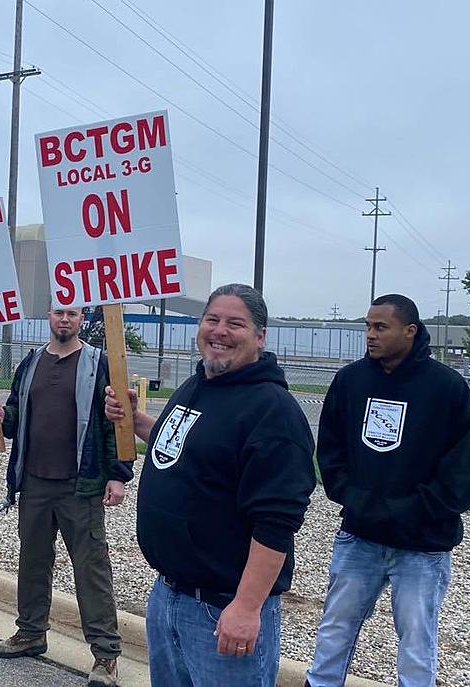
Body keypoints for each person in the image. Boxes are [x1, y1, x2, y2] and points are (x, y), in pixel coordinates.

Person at [105, 283, 316, 687]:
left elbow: (275, 523)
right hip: (168, 595)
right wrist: (136, 418)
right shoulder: (199, 385)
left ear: (259, 336)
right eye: (212, 320)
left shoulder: (273, 413)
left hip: (222, 610)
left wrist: (247, 608)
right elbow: (185, 444)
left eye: (235, 323)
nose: (219, 331)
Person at [305, 294, 470, 687]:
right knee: (335, 629)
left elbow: (465, 470)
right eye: (368, 327)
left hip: (422, 546)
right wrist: (355, 498)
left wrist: (412, 509)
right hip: (360, 537)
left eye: (380, 327)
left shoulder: (447, 388)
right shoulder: (351, 381)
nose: (370, 335)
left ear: (410, 330)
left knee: (417, 642)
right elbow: (332, 450)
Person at [0, 307, 132, 687]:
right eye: (57, 312)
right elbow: (18, 415)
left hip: (79, 486)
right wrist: (3, 417)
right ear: (47, 316)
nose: (64, 320)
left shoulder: (98, 364)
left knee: (91, 569)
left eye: (72, 313)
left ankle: (105, 655)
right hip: (33, 483)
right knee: (33, 561)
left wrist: (117, 475)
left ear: (82, 318)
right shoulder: (31, 362)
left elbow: (113, 421)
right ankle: (31, 633)